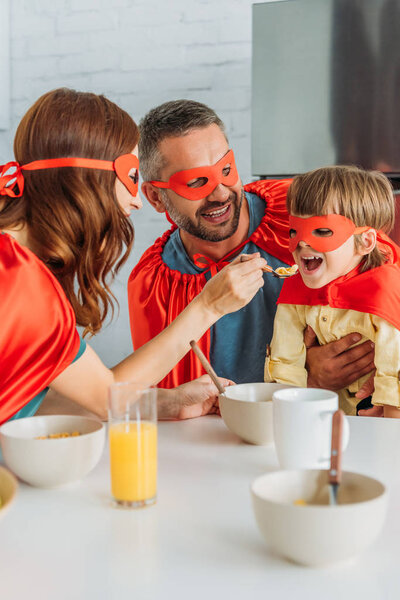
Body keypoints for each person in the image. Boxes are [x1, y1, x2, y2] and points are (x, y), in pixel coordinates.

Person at [0, 88, 268, 425]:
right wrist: (208, 306)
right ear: (88, 178)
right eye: (130, 177)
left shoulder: (17, 266)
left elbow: (39, 400)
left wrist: (167, 403)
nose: (137, 202)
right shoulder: (19, 281)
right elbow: (107, 395)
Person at [128, 100, 375, 393]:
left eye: (227, 169)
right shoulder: (153, 284)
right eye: (196, 182)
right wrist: (306, 380)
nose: (220, 193)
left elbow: (385, 287)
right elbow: (158, 399)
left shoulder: (303, 210)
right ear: (155, 197)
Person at [265, 165, 400, 417]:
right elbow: (284, 365)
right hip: (317, 420)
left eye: (323, 231)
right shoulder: (295, 288)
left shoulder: (385, 292)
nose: (303, 242)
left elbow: (394, 372)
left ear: (366, 242)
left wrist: (389, 434)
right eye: (295, 231)